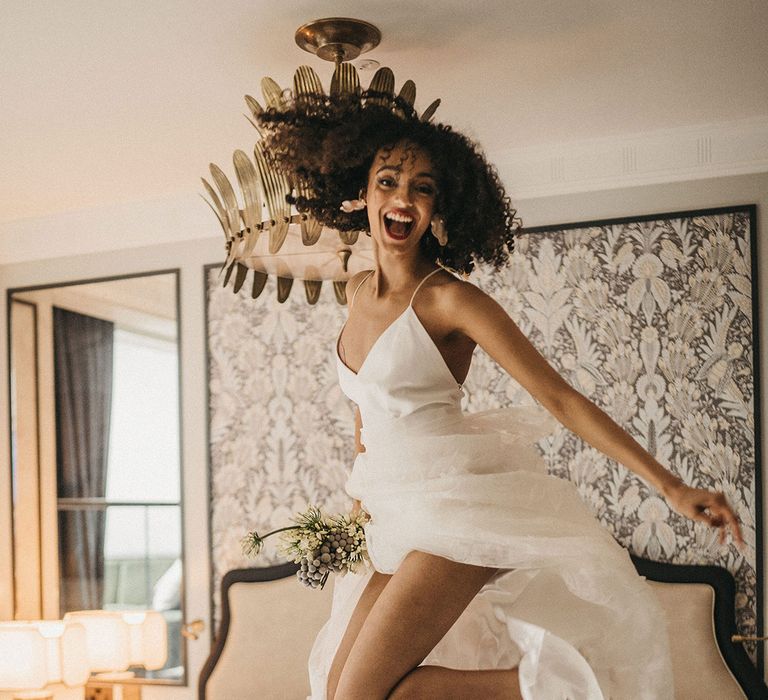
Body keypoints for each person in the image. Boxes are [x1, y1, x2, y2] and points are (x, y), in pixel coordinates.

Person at [259, 84, 745, 700]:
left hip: (455, 510)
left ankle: (560, 681)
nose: (403, 198)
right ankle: (540, 683)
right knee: (338, 694)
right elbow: (367, 416)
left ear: (439, 207)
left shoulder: (450, 299)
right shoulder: (354, 292)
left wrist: (672, 487)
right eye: (389, 180)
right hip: (388, 518)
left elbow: (561, 399)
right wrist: (357, 514)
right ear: (361, 190)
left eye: (423, 187)